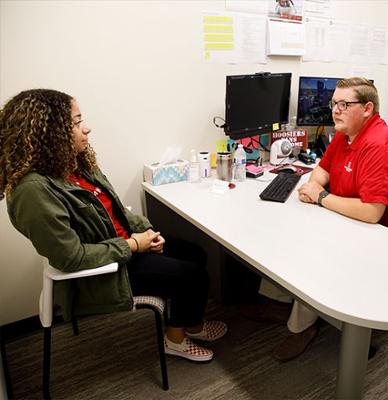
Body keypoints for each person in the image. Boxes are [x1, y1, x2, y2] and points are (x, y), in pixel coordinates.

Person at [0, 89, 227, 362]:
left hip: (122, 246)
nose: (87, 128)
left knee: (195, 253)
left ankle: (192, 324)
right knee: (191, 274)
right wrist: (133, 245)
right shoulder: (32, 191)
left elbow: (117, 211)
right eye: (76, 122)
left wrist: (147, 232)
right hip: (100, 271)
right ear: (49, 132)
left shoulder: (74, 165)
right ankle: (175, 341)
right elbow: (71, 257)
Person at [249, 77, 388, 361]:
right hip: (349, 215)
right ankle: (276, 302)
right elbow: (322, 168)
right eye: (334, 104)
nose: (335, 110)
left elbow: (372, 212)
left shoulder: (379, 144)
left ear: (367, 108)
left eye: (344, 104)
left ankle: (301, 327)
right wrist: (314, 185)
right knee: (287, 230)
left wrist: (319, 197)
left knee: (315, 251)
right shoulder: (345, 133)